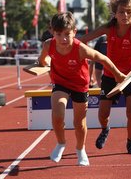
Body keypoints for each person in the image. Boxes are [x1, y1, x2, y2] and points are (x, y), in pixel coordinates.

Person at [37, 12, 126, 166]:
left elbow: (103, 59)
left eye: (67, 34)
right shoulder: (48, 44)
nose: (63, 39)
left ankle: (80, 149)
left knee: (79, 122)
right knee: (57, 114)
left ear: (74, 32)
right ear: (52, 32)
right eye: (59, 34)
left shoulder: (80, 49)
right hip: (60, 83)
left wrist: (118, 75)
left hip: (80, 85)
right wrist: (42, 63)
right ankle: (61, 143)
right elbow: (43, 58)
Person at [79, 0, 131, 154]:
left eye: (128, 13)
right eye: (121, 12)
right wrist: (68, 46)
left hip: (130, 76)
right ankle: (105, 128)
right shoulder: (108, 28)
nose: (125, 16)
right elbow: (84, 39)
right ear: (115, 13)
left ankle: (130, 144)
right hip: (110, 76)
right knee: (103, 113)